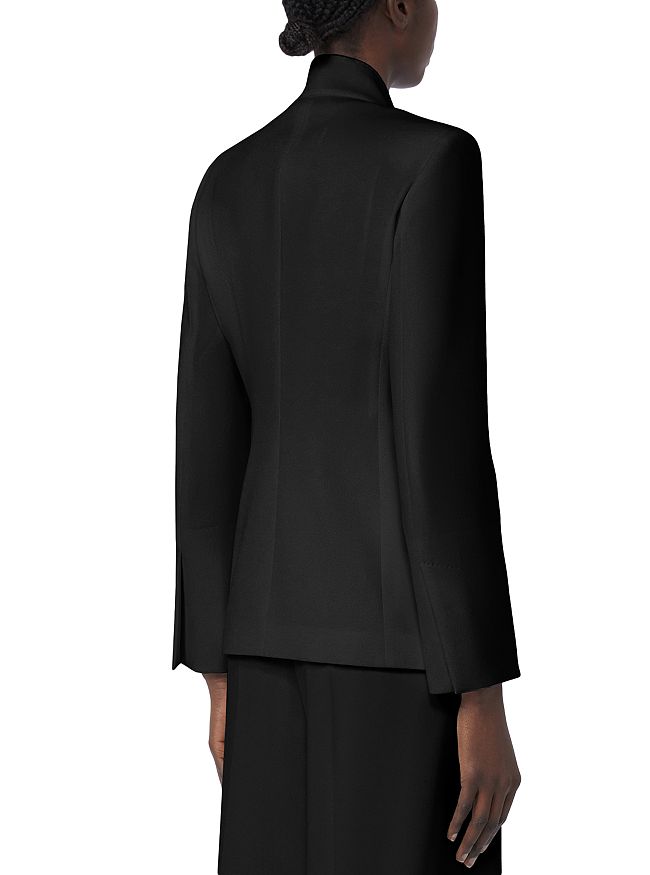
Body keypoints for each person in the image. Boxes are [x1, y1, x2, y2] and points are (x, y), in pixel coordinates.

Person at [172, 1, 521, 871]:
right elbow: (440, 440)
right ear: (396, 5)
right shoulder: (433, 162)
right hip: (405, 661)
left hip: (260, 653)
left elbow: (206, 442)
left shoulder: (227, 180)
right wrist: (481, 690)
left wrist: (218, 673)